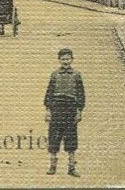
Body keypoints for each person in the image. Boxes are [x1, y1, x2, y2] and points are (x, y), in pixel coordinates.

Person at [44, 46, 85, 177]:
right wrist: (48, 110)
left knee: (71, 138)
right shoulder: (54, 75)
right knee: (54, 137)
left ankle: (71, 167)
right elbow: (49, 93)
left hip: (70, 109)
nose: (65, 62)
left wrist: (79, 110)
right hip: (57, 109)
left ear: (72, 59)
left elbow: (81, 94)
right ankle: (52, 166)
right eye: (63, 59)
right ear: (59, 60)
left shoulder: (76, 75)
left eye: (68, 59)